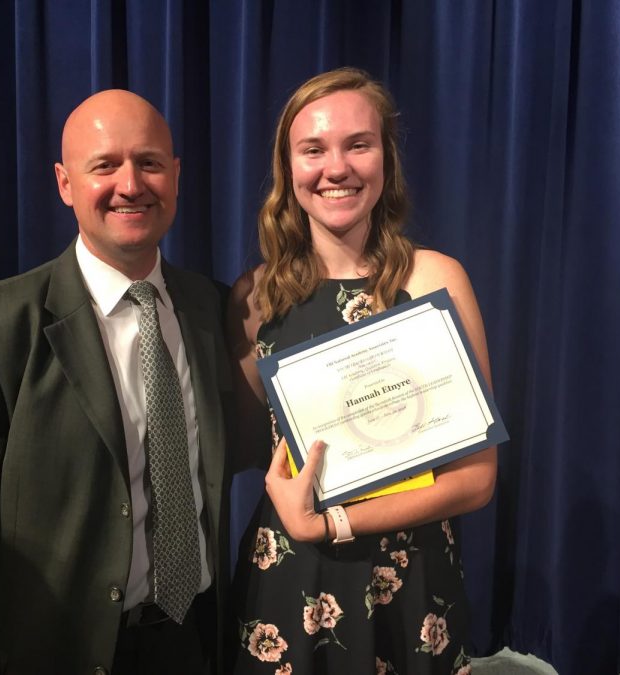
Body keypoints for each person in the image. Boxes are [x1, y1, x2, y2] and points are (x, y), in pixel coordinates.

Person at [0, 89, 231, 675]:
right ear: (64, 182)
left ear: (176, 175)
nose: (130, 184)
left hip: (196, 645)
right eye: (104, 165)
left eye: (149, 162)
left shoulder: (214, 311)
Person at [227, 67, 496, 674]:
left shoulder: (435, 280)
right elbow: (256, 447)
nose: (337, 167)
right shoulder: (254, 301)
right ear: (287, 168)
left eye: (359, 145)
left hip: (410, 583)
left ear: (386, 159)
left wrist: (331, 521)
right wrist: (308, 523)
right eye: (313, 149)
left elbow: (477, 479)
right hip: (292, 580)